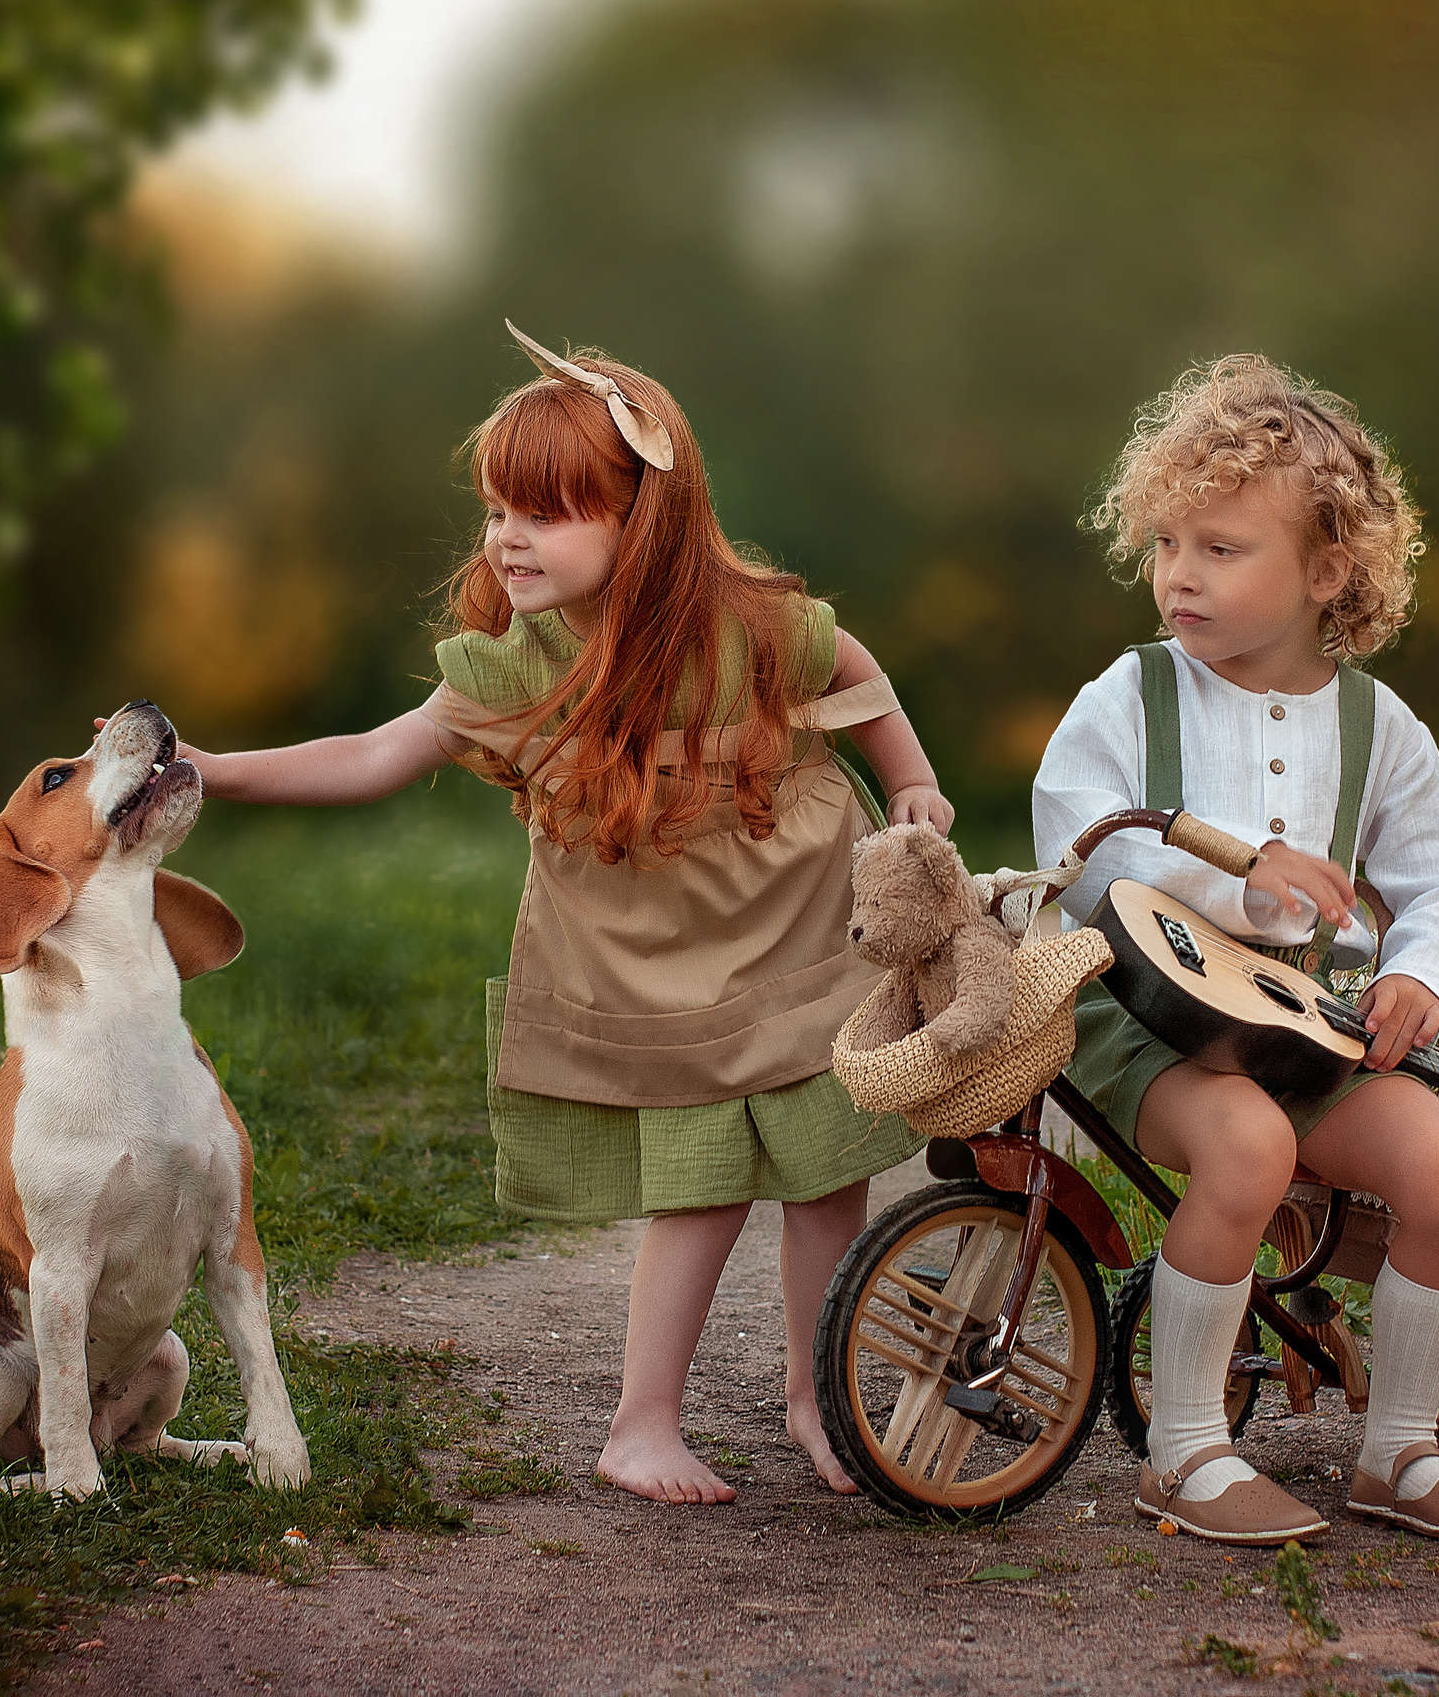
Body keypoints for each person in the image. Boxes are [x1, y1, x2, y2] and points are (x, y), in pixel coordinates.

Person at [176, 324, 944, 1504]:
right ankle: (642, 1425)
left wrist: (910, 780)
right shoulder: (516, 666)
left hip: (796, 928)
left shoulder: (747, 627)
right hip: (657, 961)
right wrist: (216, 768)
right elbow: (373, 755)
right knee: (697, 1185)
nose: (507, 539)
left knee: (826, 1172)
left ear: (643, 521)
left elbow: (851, 669)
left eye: (546, 512)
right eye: (498, 511)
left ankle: (816, 1396)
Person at [1032, 353, 1439, 1544]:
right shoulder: (1132, 693)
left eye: (1219, 548)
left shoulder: (1377, 726)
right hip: (1135, 1019)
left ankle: (1400, 1450)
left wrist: (1416, 972)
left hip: (1292, 1029)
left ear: (1326, 570)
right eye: (1165, 545)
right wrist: (1230, 868)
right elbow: (1080, 848)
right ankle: (1186, 1452)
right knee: (1246, 1144)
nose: (1178, 577)